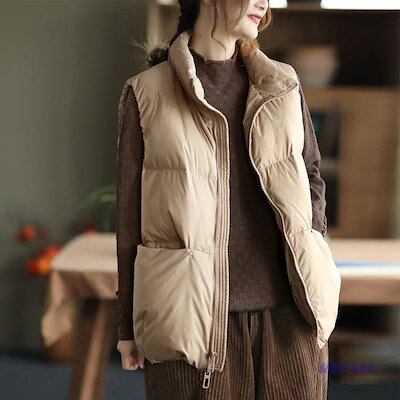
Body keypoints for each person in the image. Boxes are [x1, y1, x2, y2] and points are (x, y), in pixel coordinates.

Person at [115, 0, 340, 398]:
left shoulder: (282, 84)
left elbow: (312, 178)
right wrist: (127, 325)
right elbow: (130, 218)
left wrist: (313, 250)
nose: (263, 2)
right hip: (192, 322)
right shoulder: (147, 92)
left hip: (292, 320)